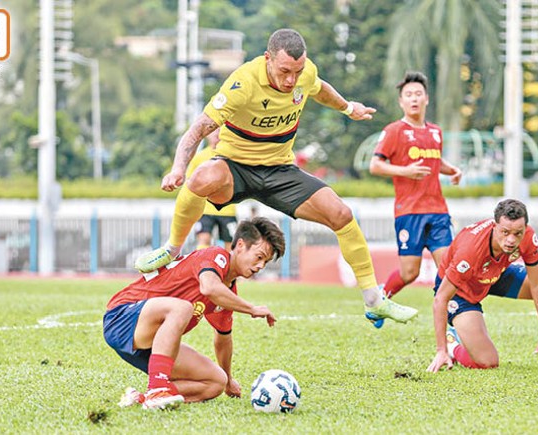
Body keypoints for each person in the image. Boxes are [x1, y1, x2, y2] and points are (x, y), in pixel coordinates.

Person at [135, 28, 417, 327]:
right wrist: (178, 168)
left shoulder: (304, 74)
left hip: (280, 170)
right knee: (200, 178)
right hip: (236, 166)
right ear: (268, 58)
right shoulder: (242, 83)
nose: (291, 80)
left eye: (297, 71)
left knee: (342, 214)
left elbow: (318, 88)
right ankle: (172, 248)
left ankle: (373, 300)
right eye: (284, 71)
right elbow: (198, 129)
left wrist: (348, 108)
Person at [104, 217, 285, 410]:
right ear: (240, 245)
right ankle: (157, 387)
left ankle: (143, 398)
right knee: (182, 308)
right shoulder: (215, 256)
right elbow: (209, 288)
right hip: (122, 317)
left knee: (216, 382)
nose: (260, 266)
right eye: (259, 257)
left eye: (265, 262)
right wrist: (252, 309)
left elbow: (223, 339)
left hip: (148, 344)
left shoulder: (227, 294)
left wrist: (229, 380)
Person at [427, 199, 538, 372]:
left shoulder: (527, 236)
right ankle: (452, 346)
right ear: (494, 226)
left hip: (495, 275)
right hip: (462, 290)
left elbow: (537, 285)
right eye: (505, 232)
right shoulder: (470, 249)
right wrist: (440, 350)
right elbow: (440, 298)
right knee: (487, 362)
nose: (511, 240)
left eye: (518, 233)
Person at [369, 71, 462, 299]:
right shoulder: (394, 131)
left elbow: (434, 161)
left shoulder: (435, 132)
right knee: (410, 273)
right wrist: (405, 171)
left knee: (449, 270)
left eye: (418, 94)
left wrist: (453, 170)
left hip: (438, 211)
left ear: (426, 99)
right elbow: (375, 165)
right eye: (408, 94)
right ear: (401, 101)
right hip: (409, 212)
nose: (414, 98)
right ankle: (381, 300)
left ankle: (451, 323)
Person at [188, 128, 238, 250]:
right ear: (207, 135)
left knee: (231, 244)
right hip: (204, 209)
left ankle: (228, 268)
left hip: (227, 209)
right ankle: (203, 267)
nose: (216, 135)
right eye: (213, 132)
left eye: (220, 131)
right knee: (204, 240)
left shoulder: (233, 156)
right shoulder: (199, 157)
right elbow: (190, 182)